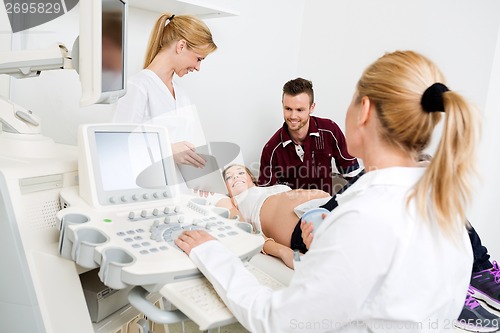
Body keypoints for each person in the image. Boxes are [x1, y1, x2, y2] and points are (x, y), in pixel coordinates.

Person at [175, 50, 479, 332]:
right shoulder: (444, 205)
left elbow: (278, 320)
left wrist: (212, 252)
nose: (293, 115)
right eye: (287, 108)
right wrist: (326, 239)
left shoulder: (365, 216)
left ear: (365, 110)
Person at [113, 12, 217, 168]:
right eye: (199, 59)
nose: (198, 67)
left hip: (182, 188)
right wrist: (168, 149)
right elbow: (117, 145)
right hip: (147, 186)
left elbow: (194, 146)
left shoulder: (181, 95)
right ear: (181, 46)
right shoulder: (138, 86)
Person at [258, 77, 361, 195]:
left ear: (311, 108)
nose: (293, 116)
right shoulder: (271, 150)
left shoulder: (329, 131)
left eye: (300, 110)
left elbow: (353, 175)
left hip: (324, 208)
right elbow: (266, 197)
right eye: (288, 109)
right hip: (289, 210)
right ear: (282, 105)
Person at [216, 164, 330, 268]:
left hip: (327, 204)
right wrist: (284, 252)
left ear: (251, 178)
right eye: (229, 177)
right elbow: (247, 233)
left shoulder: (270, 188)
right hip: (305, 226)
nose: (235, 177)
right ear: (224, 187)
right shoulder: (230, 202)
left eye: (240, 173)